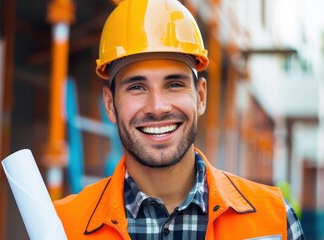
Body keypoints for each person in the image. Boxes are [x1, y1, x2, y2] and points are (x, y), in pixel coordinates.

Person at [54, 0, 305, 239]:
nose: (158, 107)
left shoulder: (274, 220)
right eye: (137, 87)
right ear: (110, 104)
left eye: (174, 84)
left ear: (201, 97)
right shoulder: (62, 226)